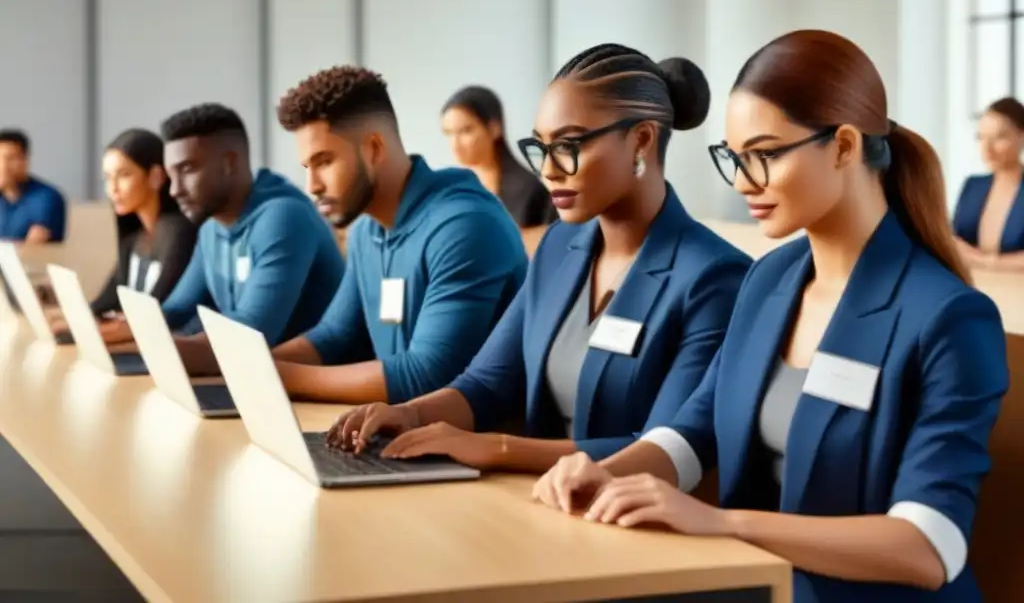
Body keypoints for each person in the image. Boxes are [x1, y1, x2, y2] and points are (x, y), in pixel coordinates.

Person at [533, 30, 1008, 603]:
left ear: (844, 146)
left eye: (764, 156)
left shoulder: (950, 319)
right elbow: (695, 430)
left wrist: (724, 523)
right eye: (734, 158)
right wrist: (608, 470)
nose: (741, 182)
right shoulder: (768, 279)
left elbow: (929, 548)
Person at [327, 45, 751, 473]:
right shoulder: (558, 247)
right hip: (537, 499)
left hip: (626, 515)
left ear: (641, 139)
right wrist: (411, 415)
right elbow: (487, 384)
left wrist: (499, 449)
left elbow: (664, 448)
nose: (548, 170)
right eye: (540, 148)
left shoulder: (715, 276)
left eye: (568, 145)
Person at [265, 65, 529, 404]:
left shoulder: (464, 224)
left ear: (374, 149)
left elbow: (426, 375)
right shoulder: (367, 230)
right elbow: (335, 335)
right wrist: (257, 366)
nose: (312, 186)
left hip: (476, 447)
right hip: (403, 434)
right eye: (307, 168)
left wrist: (280, 377)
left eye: (325, 161)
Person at [150, 104, 345, 372]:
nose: (174, 190)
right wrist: (126, 329)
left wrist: (154, 346)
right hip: (260, 382)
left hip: (314, 393)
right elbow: (177, 309)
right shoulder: (211, 227)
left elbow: (250, 334)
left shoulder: (284, 217)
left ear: (230, 163)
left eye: (187, 169)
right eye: (171, 175)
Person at [87, 129, 197, 344]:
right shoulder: (133, 235)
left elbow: (157, 313)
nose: (113, 188)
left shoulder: (178, 231)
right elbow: (106, 301)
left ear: (156, 176)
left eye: (124, 175)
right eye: (108, 178)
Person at [441, 85, 555, 229]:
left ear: (495, 128)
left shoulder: (530, 190)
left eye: (465, 131)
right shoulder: (451, 191)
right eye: (449, 133)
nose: (455, 144)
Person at [952, 97, 1024, 270]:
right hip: (974, 285)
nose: (987, 149)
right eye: (981, 137)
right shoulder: (973, 186)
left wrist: (987, 262)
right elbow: (952, 241)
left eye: (1000, 137)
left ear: (1022, 136)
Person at [0, 129, 66, 243]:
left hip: (32, 260)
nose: (4, 166)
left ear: (25, 160)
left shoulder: (46, 197)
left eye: (10, 159)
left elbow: (35, 241)